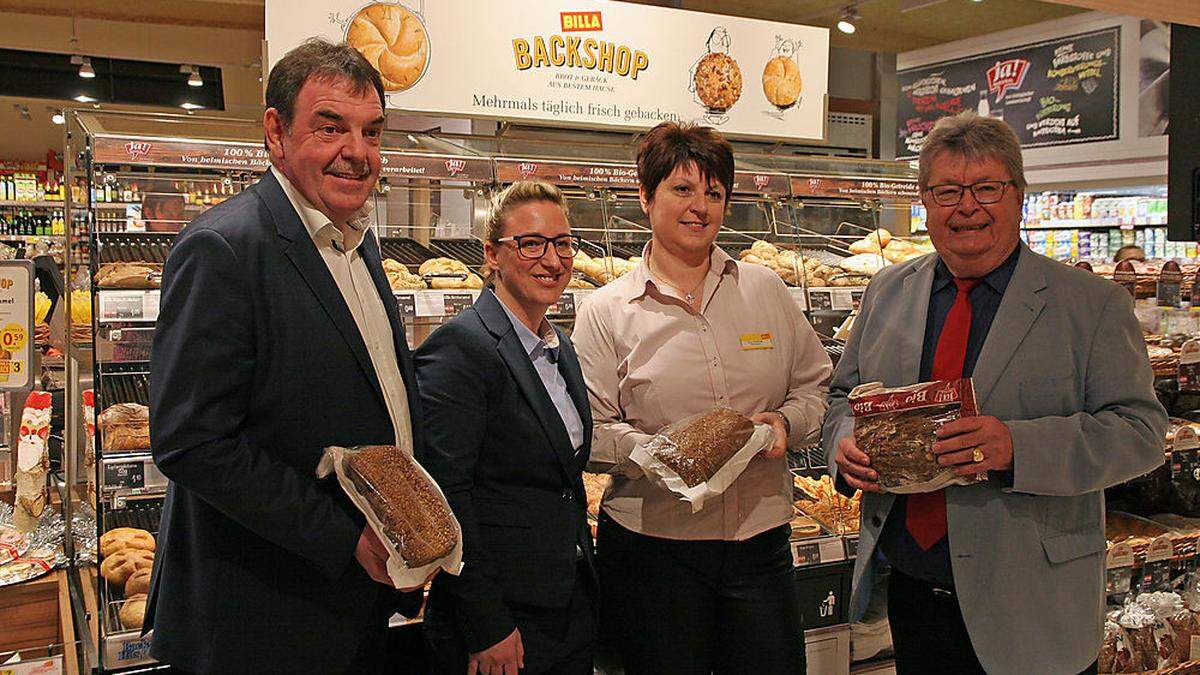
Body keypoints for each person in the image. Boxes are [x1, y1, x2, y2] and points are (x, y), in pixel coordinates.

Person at [824, 111, 1168, 675]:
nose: (967, 207)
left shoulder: (1091, 305)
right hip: (912, 593)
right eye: (947, 191)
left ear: (1019, 197)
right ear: (925, 202)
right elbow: (842, 396)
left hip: (1034, 604)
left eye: (987, 188)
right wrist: (844, 442)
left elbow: (1141, 433)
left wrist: (1016, 446)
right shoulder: (889, 290)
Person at [146, 39, 428, 673]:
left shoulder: (356, 244)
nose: (358, 153)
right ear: (275, 131)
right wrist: (345, 538)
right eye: (330, 128)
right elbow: (193, 440)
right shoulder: (226, 248)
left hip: (348, 604)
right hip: (263, 614)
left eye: (371, 132)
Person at [572, 121, 831, 674]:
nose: (700, 207)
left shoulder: (765, 291)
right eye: (682, 189)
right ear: (645, 196)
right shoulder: (606, 312)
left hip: (759, 545)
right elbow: (588, 429)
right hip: (655, 554)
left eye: (714, 193)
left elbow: (814, 385)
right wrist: (657, 454)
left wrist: (785, 425)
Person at [416, 181, 597, 675]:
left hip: (564, 602)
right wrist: (486, 620)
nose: (553, 260)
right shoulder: (461, 348)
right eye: (532, 244)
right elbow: (446, 494)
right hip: (499, 618)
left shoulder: (558, 346)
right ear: (492, 254)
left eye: (563, 244)